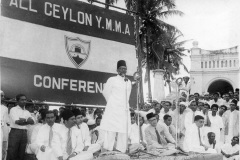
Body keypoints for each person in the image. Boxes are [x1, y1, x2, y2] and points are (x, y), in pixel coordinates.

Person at [99, 60, 132, 153]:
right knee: (111, 129)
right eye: (121, 68)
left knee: (123, 129)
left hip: (124, 109)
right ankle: (108, 149)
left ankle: (121, 150)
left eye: (125, 69)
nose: (123, 70)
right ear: (117, 70)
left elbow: (128, 96)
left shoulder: (128, 81)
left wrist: (123, 104)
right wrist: (112, 102)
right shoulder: (112, 79)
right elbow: (105, 92)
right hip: (113, 108)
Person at [7, 94, 35, 160]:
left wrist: (22, 120)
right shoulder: (13, 110)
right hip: (15, 132)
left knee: (22, 153)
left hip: (24, 133)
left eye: (25, 100)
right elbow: (17, 122)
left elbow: (32, 122)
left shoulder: (27, 111)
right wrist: (26, 120)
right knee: (12, 152)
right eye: (22, 100)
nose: (24, 101)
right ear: (17, 101)